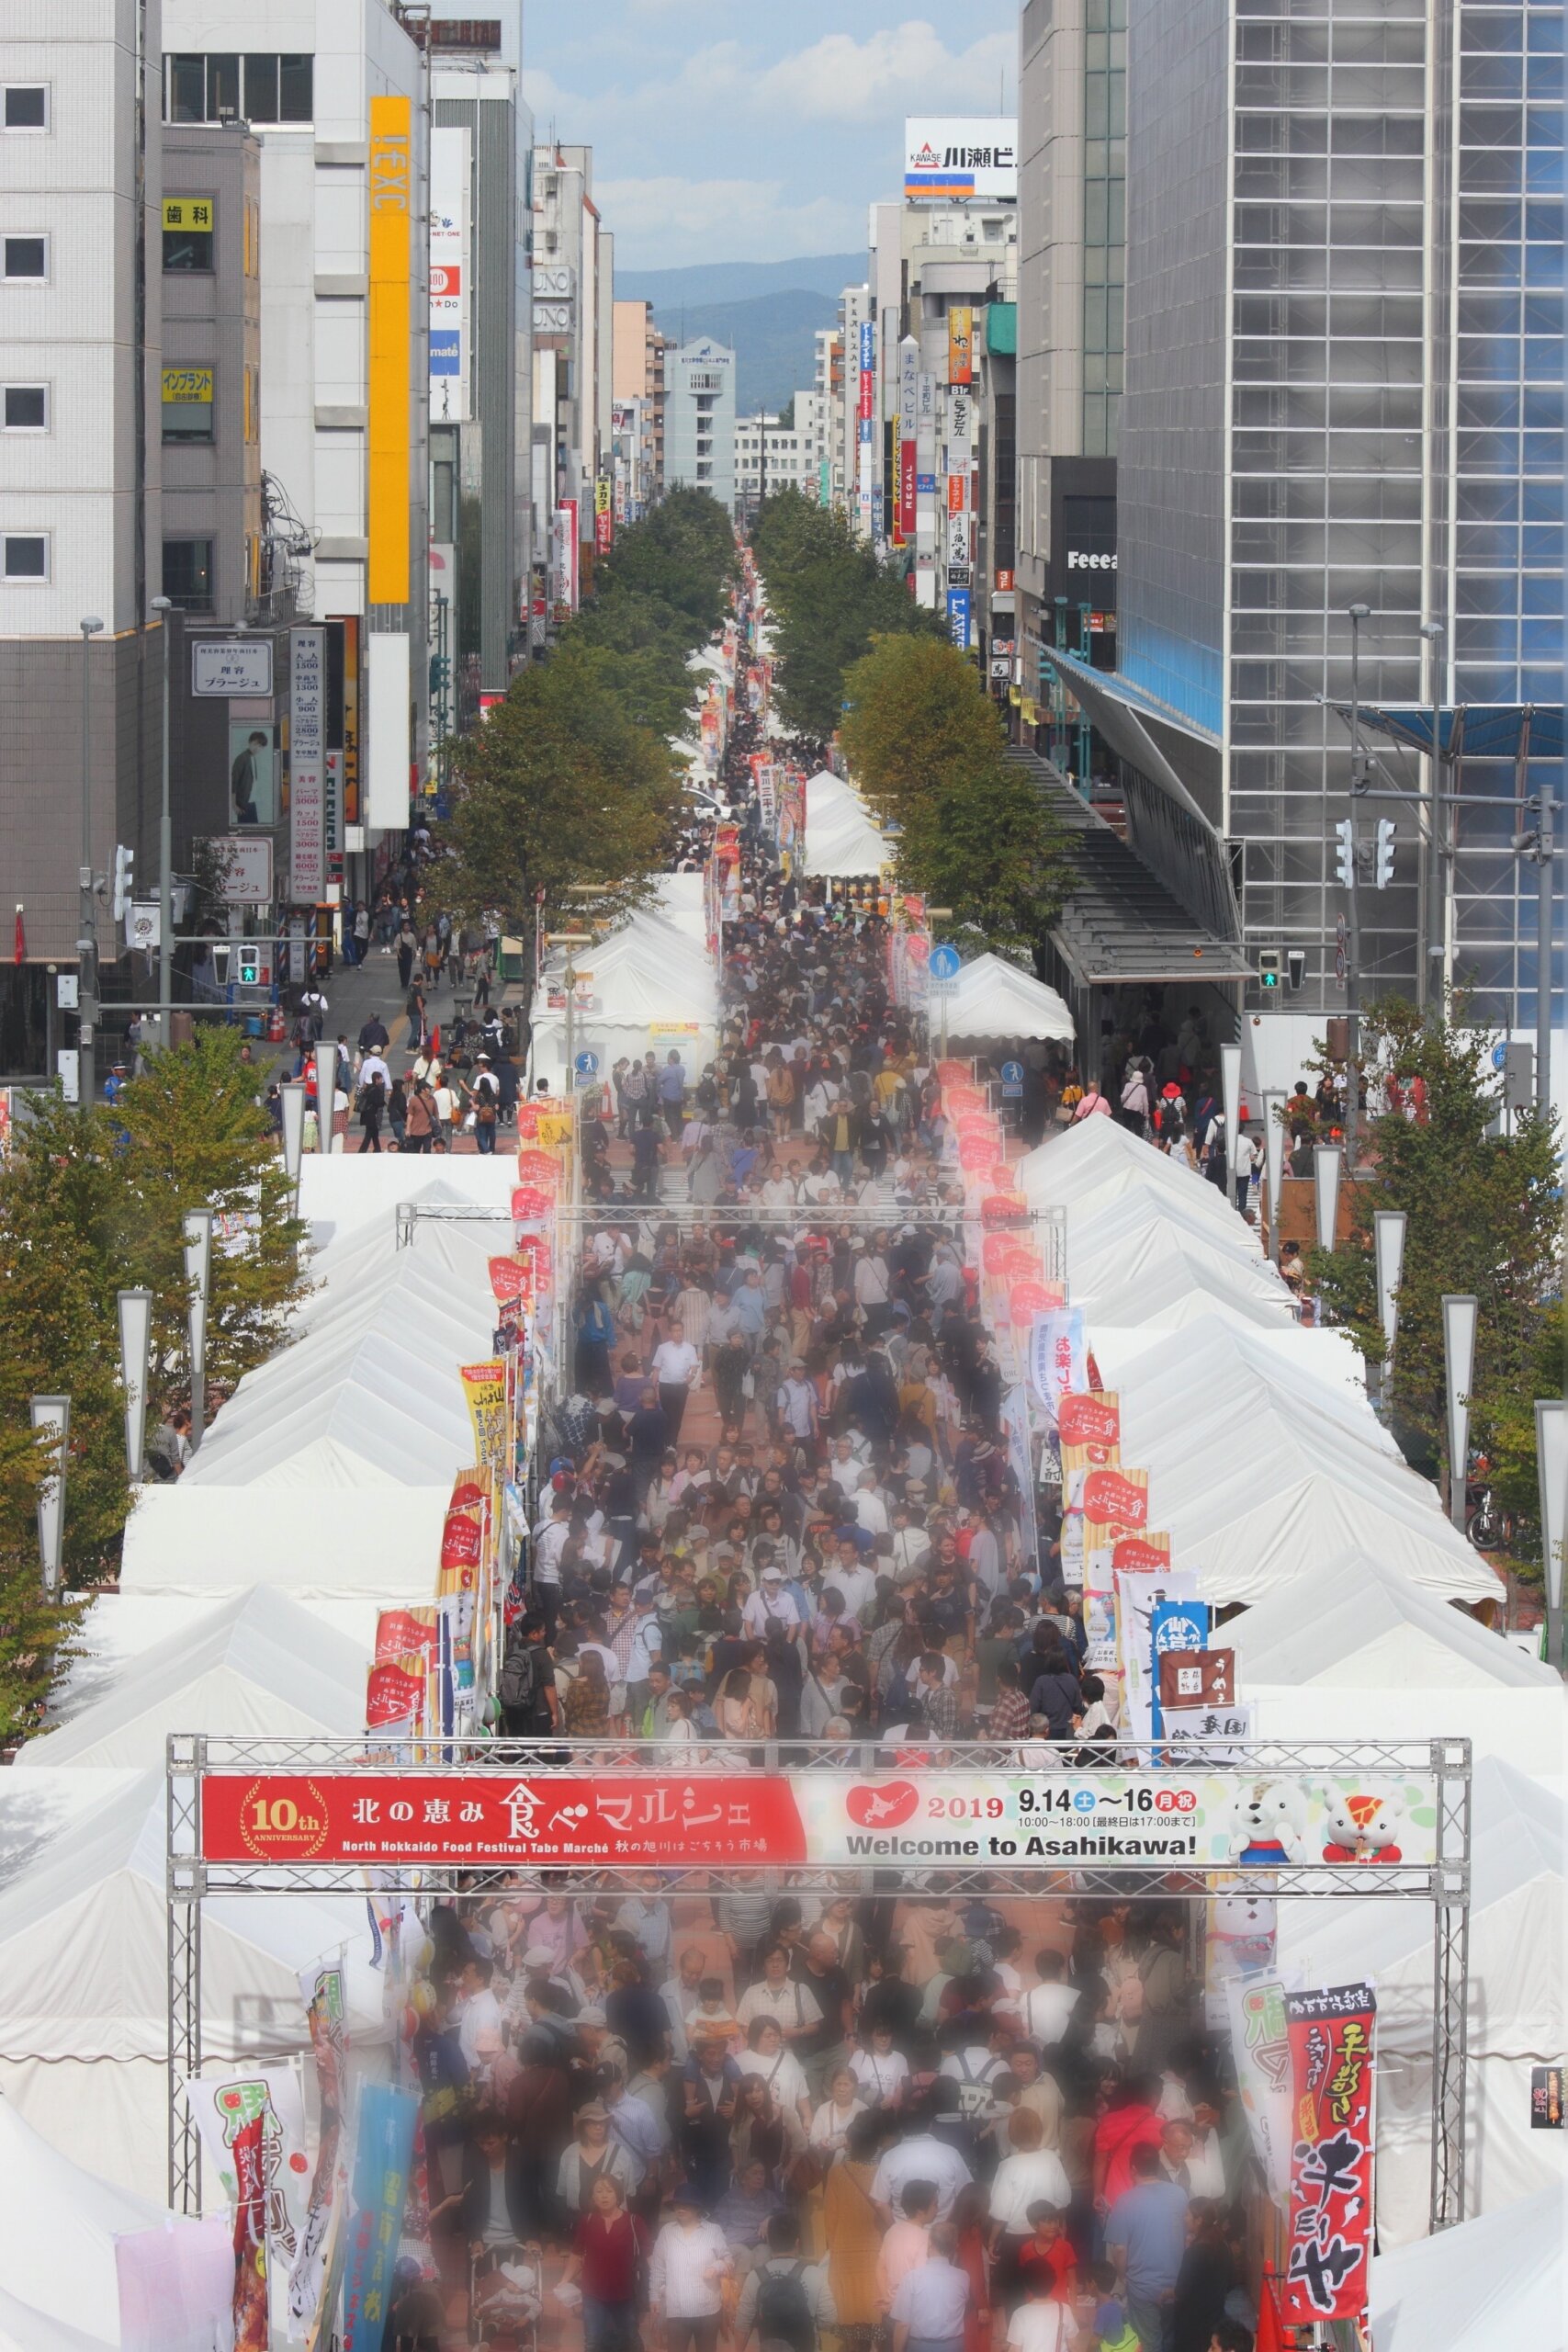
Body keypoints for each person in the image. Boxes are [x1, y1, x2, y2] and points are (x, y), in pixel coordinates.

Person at [1103, 2143, 1188, 2352]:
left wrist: (1123, 2277)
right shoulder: (1179, 2194)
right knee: (1170, 2337)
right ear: (1157, 2166)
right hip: (1176, 2283)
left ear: (1133, 2169)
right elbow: (1188, 2236)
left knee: (1149, 2341)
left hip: (1142, 2286)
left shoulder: (1124, 2201)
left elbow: (1120, 2249)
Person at [562, 2172, 649, 2352]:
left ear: (618, 2194)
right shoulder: (587, 2221)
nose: (604, 2195)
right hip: (594, 2295)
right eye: (599, 2191)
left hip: (626, 2294)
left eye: (609, 2191)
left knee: (630, 2339)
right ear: (593, 2197)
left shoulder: (635, 2221)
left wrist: (660, 2284)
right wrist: (564, 2281)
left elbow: (649, 2256)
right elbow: (577, 2254)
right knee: (593, 2342)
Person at [734, 2211, 836, 2352]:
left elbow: (742, 2325)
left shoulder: (755, 2276)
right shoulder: (814, 2274)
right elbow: (829, 2320)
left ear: (769, 2241)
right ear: (797, 2242)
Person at [648, 2180, 731, 2352]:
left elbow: (728, 2261)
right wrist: (654, 2297)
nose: (681, 2208)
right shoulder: (666, 2232)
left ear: (697, 2207)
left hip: (708, 2308)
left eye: (686, 2204)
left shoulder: (713, 2230)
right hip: (677, 2309)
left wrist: (716, 2267)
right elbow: (657, 2267)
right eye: (678, 2203)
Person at [889, 2220, 971, 2352]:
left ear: (930, 2243)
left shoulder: (912, 2278)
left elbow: (903, 2324)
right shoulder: (963, 2277)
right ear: (955, 2247)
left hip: (920, 2347)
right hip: (954, 2346)